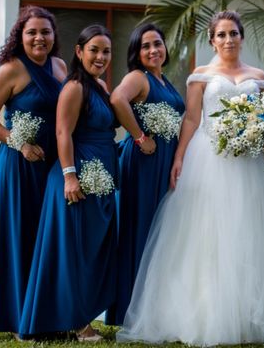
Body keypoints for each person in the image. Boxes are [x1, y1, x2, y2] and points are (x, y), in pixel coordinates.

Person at [117, 11, 264, 345]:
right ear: (212, 40)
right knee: (207, 234)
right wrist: (179, 157)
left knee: (251, 232)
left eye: (234, 34)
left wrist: (261, 137)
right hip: (208, 158)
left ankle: (252, 315)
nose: (228, 40)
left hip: (251, 163)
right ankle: (206, 313)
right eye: (222, 35)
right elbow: (191, 119)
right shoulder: (200, 75)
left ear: (242, 38)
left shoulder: (259, 75)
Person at [18, 25, 118, 341]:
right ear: (79, 52)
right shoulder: (75, 87)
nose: (100, 57)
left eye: (106, 51)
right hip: (78, 178)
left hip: (99, 177)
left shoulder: (100, 85)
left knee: (90, 251)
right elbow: (63, 133)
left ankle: (82, 315)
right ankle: (77, 324)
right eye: (94, 50)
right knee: (75, 252)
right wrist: (70, 176)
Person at [0, 6, 65, 335]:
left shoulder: (59, 66)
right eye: (32, 32)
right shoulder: (11, 70)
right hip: (19, 165)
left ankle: (49, 314)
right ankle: (18, 319)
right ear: (20, 36)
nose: (39, 37)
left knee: (49, 235)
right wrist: (21, 144)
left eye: (45, 31)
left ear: (54, 36)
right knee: (22, 235)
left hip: (52, 164)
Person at [106, 24, 185, 325]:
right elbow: (117, 99)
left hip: (164, 161)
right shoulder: (137, 77)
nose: (153, 50)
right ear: (137, 53)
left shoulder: (163, 79)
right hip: (143, 162)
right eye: (146, 46)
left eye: (158, 44)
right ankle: (129, 309)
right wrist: (139, 137)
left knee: (159, 233)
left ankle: (153, 306)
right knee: (139, 231)